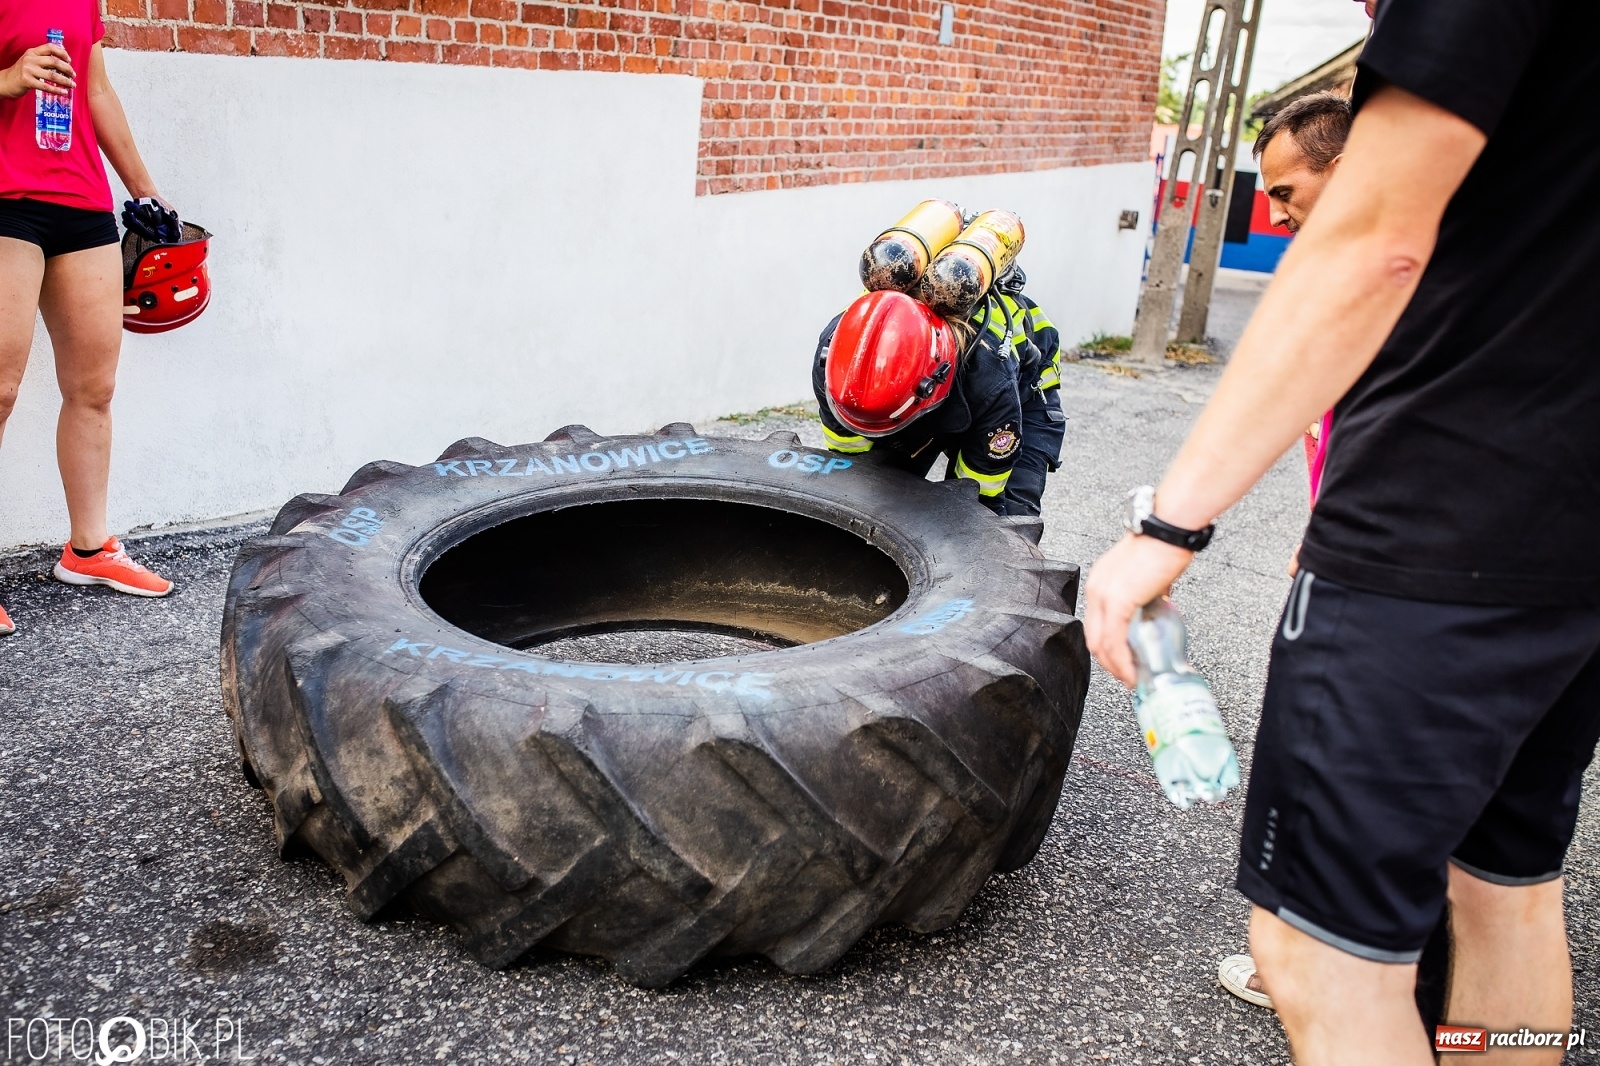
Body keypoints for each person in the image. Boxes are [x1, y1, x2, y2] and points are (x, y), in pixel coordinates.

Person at [1085, 0, 1600, 1062]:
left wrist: (1170, 522)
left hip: (1443, 522)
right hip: (1570, 540)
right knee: (1504, 891)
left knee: (1321, 956)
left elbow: (1373, 244)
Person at [0, 0, 176, 636]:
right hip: (6, 200)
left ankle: (89, 548)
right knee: (0, 390)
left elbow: (96, 89)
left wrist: (146, 190)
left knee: (94, 388)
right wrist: (8, 79)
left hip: (82, 201)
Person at [815, 266, 1064, 517]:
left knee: (1004, 522)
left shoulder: (989, 381)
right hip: (919, 403)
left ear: (933, 382)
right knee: (877, 497)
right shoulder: (834, 363)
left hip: (1021, 395)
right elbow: (849, 470)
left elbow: (980, 500)